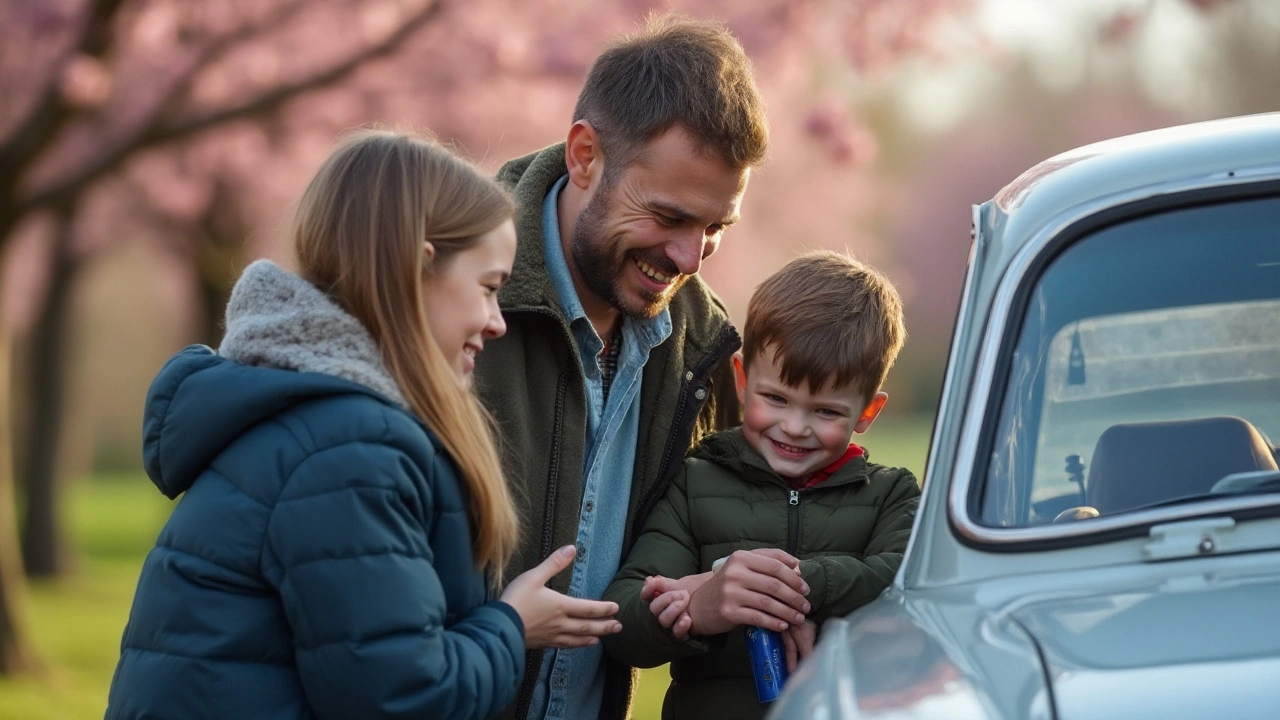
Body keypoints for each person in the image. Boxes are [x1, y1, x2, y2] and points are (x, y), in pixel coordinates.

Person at [105, 130, 621, 720]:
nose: (496, 322)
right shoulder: (352, 448)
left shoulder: (315, 417)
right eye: (487, 289)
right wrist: (509, 626)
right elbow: (401, 696)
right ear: (419, 268)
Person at [472, 14, 808, 720]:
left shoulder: (705, 347)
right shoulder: (446, 291)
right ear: (585, 155)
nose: (690, 259)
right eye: (669, 217)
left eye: (716, 229)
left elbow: (670, 580)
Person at [601, 251, 922, 720]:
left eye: (825, 411)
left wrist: (790, 587)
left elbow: (906, 583)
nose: (794, 427)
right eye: (775, 398)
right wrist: (705, 603)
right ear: (742, 379)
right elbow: (623, 618)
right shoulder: (694, 483)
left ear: (867, 413)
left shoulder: (891, 496)